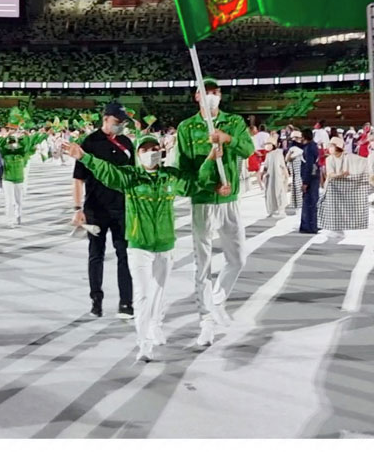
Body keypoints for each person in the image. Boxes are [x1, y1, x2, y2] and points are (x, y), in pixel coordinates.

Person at [66, 135, 220, 361]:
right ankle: (144, 343)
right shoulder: (130, 177)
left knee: (158, 291)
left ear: (161, 151)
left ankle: (155, 325)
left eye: (155, 148)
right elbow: (108, 172)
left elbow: (194, 184)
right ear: (138, 154)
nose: (150, 153)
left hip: (165, 245)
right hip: (139, 245)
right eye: (145, 149)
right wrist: (84, 157)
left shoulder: (171, 176)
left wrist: (211, 159)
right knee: (143, 294)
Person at [176, 77, 254, 346]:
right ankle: (206, 319)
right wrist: (208, 181)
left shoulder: (233, 122)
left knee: (238, 259)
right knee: (203, 265)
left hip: (229, 200)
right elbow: (184, 169)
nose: (211, 95)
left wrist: (227, 138)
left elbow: (248, 149)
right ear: (197, 96)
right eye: (206, 92)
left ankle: (218, 299)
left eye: (216, 91)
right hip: (203, 202)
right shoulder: (186, 127)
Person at [73, 102, 137, 318]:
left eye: (123, 122)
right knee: (96, 255)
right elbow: (78, 178)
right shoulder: (90, 142)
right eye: (117, 121)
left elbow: (133, 176)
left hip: (122, 208)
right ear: (106, 119)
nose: (120, 125)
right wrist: (77, 208)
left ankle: (126, 302)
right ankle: (96, 299)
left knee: (124, 255)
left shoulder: (126, 143)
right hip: (95, 208)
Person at [0, 128, 48, 228]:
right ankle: (10, 220)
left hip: (19, 179)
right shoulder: (5, 153)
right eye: (10, 142)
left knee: (19, 201)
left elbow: (31, 143)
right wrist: (7, 135)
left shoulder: (22, 152)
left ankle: (18, 215)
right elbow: (0, 144)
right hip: (7, 179)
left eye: (13, 142)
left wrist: (30, 135)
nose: (12, 144)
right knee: (9, 201)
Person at [317, 136, 370, 243]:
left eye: (332, 146)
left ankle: (340, 229)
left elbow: (363, 162)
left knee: (344, 208)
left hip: (346, 187)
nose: (329, 148)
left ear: (338, 147)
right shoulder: (329, 159)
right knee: (332, 208)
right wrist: (341, 174)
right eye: (329, 146)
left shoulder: (348, 157)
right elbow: (330, 174)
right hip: (332, 187)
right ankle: (335, 229)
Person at [257, 138, 290, 218]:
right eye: (266, 144)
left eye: (269, 144)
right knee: (270, 193)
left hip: (278, 176)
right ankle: (272, 210)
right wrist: (263, 174)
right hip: (270, 177)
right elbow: (266, 166)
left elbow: (282, 165)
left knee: (279, 192)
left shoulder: (278, 153)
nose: (267, 146)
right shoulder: (268, 155)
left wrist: (286, 175)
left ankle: (281, 211)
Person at [298, 128, 322, 234]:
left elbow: (309, 165)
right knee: (312, 202)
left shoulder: (309, 148)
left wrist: (305, 182)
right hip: (314, 177)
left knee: (309, 203)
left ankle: (309, 226)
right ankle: (312, 224)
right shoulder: (313, 146)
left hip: (311, 178)